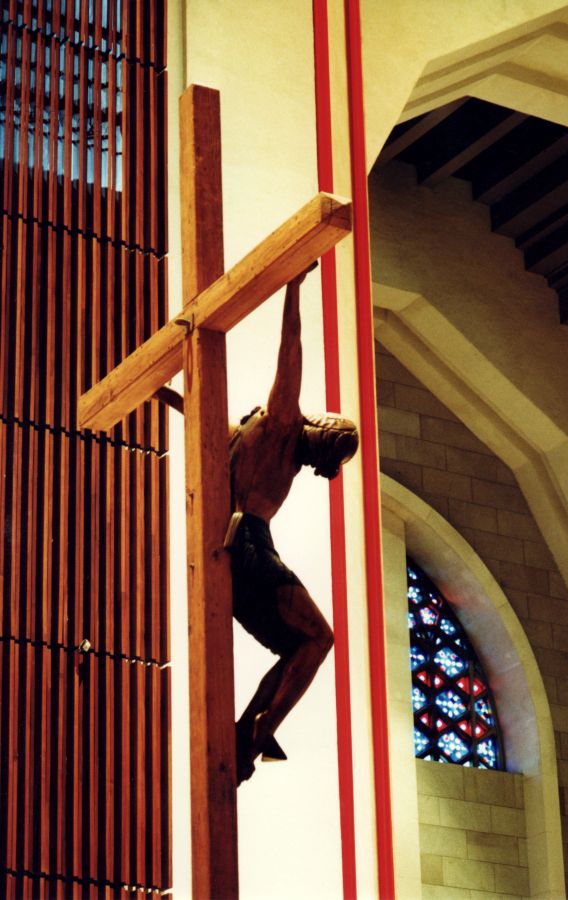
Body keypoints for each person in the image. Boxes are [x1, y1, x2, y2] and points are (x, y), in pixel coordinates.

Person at [154, 263, 358, 785]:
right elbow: (282, 356)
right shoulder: (276, 433)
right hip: (248, 544)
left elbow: (286, 355)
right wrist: (292, 287)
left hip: (233, 548)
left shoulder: (274, 431)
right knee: (317, 640)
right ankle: (257, 729)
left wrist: (294, 289)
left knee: (304, 645)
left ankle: (249, 732)